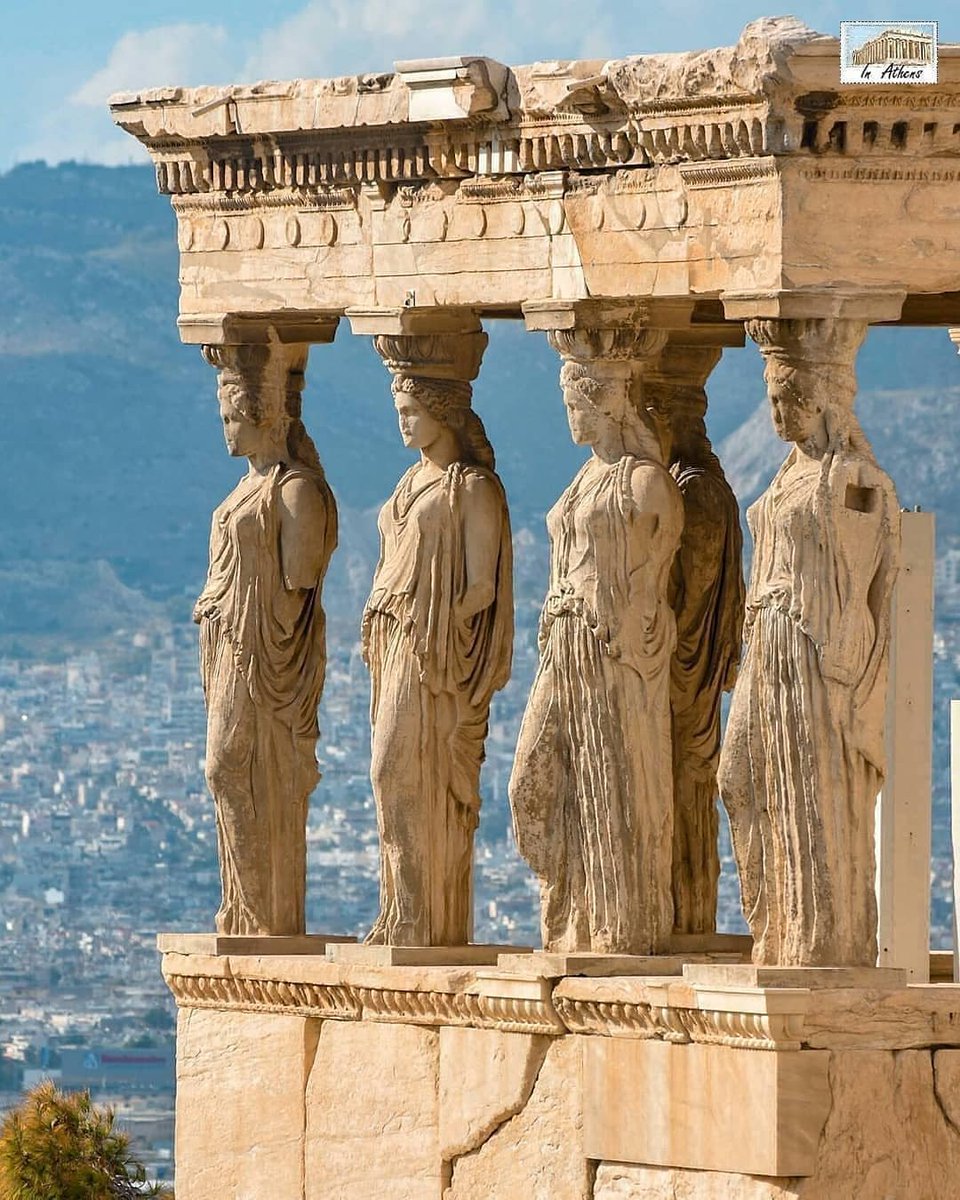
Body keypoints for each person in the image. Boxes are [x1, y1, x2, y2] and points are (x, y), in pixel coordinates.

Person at [718, 320, 899, 966]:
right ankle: (777, 926)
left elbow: (869, 569)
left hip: (811, 652)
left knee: (811, 789)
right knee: (738, 773)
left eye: (784, 397)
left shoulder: (851, 478)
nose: (773, 411)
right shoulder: (790, 475)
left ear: (821, 397)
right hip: (767, 642)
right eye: (770, 396)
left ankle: (819, 940)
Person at [510, 357, 683, 955]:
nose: (570, 416)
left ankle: (616, 922)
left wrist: (630, 634)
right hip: (563, 644)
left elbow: (655, 583)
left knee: (613, 782)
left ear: (607, 404)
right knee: (531, 779)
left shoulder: (645, 483)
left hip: (612, 653)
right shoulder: (583, 479)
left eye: (576, 405)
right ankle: (571, 906)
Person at [362, 372, 512, 946]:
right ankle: (402, 909)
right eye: (399, 410)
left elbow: (482, 586)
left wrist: (436, 621)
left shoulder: (472, 488)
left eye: (411, 410)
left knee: (398, 771)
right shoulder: (408, 482)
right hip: (393, 643)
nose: (402, 422)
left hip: (434, 652)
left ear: (443, 413)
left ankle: (423, 915)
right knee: (390, 776)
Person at [194, 342, 337, 936]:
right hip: (228, 649)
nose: (225, 431)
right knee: (228, 769)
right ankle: (248, 910)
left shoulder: (295, 490)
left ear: (262, 416)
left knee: (232, 766)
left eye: (232, 418)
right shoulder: (243, 492)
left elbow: (300, 577)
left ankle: (267, 915)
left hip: (264, 656)